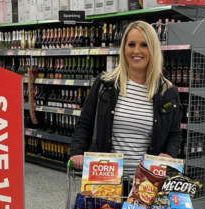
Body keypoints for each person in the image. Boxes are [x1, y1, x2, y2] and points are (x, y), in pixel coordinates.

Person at [69, 20, 182, 173]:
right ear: (123, 49)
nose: (136, 51)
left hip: (146, 184)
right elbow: (84, 123)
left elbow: (174, 133)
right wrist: (77, 152)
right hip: (105, 178)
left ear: (153, 49)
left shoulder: (167, 91)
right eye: (131, 44)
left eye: (144, 45)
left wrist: (169, 153)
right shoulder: (105, 84)